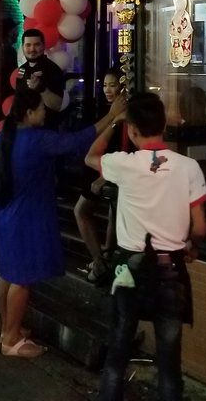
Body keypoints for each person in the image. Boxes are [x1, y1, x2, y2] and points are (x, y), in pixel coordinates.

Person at [0, 87, 126, 358]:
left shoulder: (3, 138)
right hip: (26, 218)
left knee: (7, 274)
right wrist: (111, 116)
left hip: (4, 216)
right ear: (28, 113)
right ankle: (12, 341)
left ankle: (7, 329)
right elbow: (77, 141)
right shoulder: (37, 140)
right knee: (22, 279)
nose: (45, 112)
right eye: (41, 108)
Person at [86, 93, 206, 401]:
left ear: (132, 130)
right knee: (169, 365)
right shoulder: (189, 167)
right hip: (171, 269)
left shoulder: (123, 164)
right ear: (164, 125)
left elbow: (91, 156)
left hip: (128, 269)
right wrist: (192, 246)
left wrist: (114, 122)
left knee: (117, 354)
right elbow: (201, 227)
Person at [74, 67, 129, 284]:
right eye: (105, 85)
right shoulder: (107, 111)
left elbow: (123, 150)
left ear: (123, 88)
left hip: (109, 170)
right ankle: (102, 258)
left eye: (112, 85)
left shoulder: (123, 116)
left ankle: (100, 261)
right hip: (99, 168)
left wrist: (105, 175)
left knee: (84, 210)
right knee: (107, 212)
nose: (107, 90)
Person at [16, 29, 65, 131]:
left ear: (43, 46)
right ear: (23, 47)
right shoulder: (22, 69)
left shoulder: (53, 70)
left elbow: (57, 105)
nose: (32, 49)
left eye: (37, 45)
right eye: (28, 45)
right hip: (24, 130)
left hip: (47, 131)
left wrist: (41, 88)